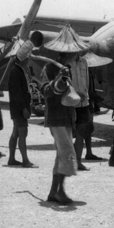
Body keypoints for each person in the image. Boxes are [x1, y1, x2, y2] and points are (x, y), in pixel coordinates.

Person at [42, 25, 87, 204]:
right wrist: (58, 80)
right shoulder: (50, 68)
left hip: (67, 116)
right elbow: (45, 91)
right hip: (56, 117)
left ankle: (54, 192)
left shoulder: (68, 68)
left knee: (61, 154)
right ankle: (60, 191)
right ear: (69, 52)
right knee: (67, 152)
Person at [7, 42, 36, 167]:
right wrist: (24, 108)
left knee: (16, 133)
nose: (29, 59)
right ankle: (25, 160)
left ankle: (11, 159)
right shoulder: (16, 72)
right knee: (22, 132)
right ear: (24, 59)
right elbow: (17, 94)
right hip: (19, 108)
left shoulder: (20, 71)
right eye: (28, 57)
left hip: (17, 108)